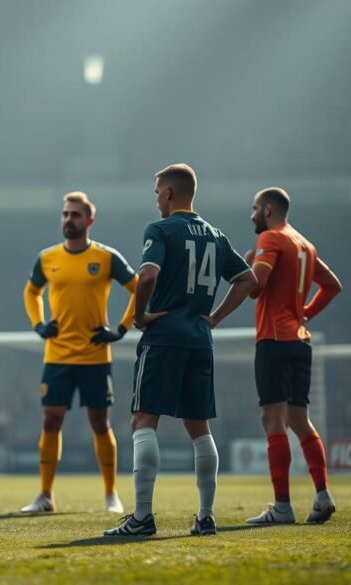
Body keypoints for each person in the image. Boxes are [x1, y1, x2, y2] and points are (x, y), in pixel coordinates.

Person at [104, 164, 256, 537]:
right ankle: (205, 517)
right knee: (200, 429)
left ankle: (141, 517)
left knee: (143, 421)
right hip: (200, 341)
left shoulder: (160, 229)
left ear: (169, 193)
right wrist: (215, 318)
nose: (156, 198)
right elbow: (248, 279)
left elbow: (149, 275)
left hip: (164, 337)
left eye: (157, 192)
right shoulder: (216, 236)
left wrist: (140, 316)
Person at [20, 192, 137, 514]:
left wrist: (122, 329)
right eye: (65, 214)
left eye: (75, 215)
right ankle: (45, 496)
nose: (68, 219)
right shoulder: (47, 258)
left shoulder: (107, 257)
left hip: (95, 356)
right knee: (50, 420)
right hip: (57, 356)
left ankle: (112, 495)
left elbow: (139, 288)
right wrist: (38, 324)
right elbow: (31, 292)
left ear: (89, 221)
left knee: (100, 423)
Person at [244, 186, 342, 526]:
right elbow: (332, 285)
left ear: (268, 209)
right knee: (300, 421)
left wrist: (246, 270)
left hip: (273, 338)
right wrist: (305, 315)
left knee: (272, 420)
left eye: (255, 208)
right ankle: (322, 495)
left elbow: (255, 286)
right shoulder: (305, 245)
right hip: (300, 342)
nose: (252, 214)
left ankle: (282, 507)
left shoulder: (270, 239)